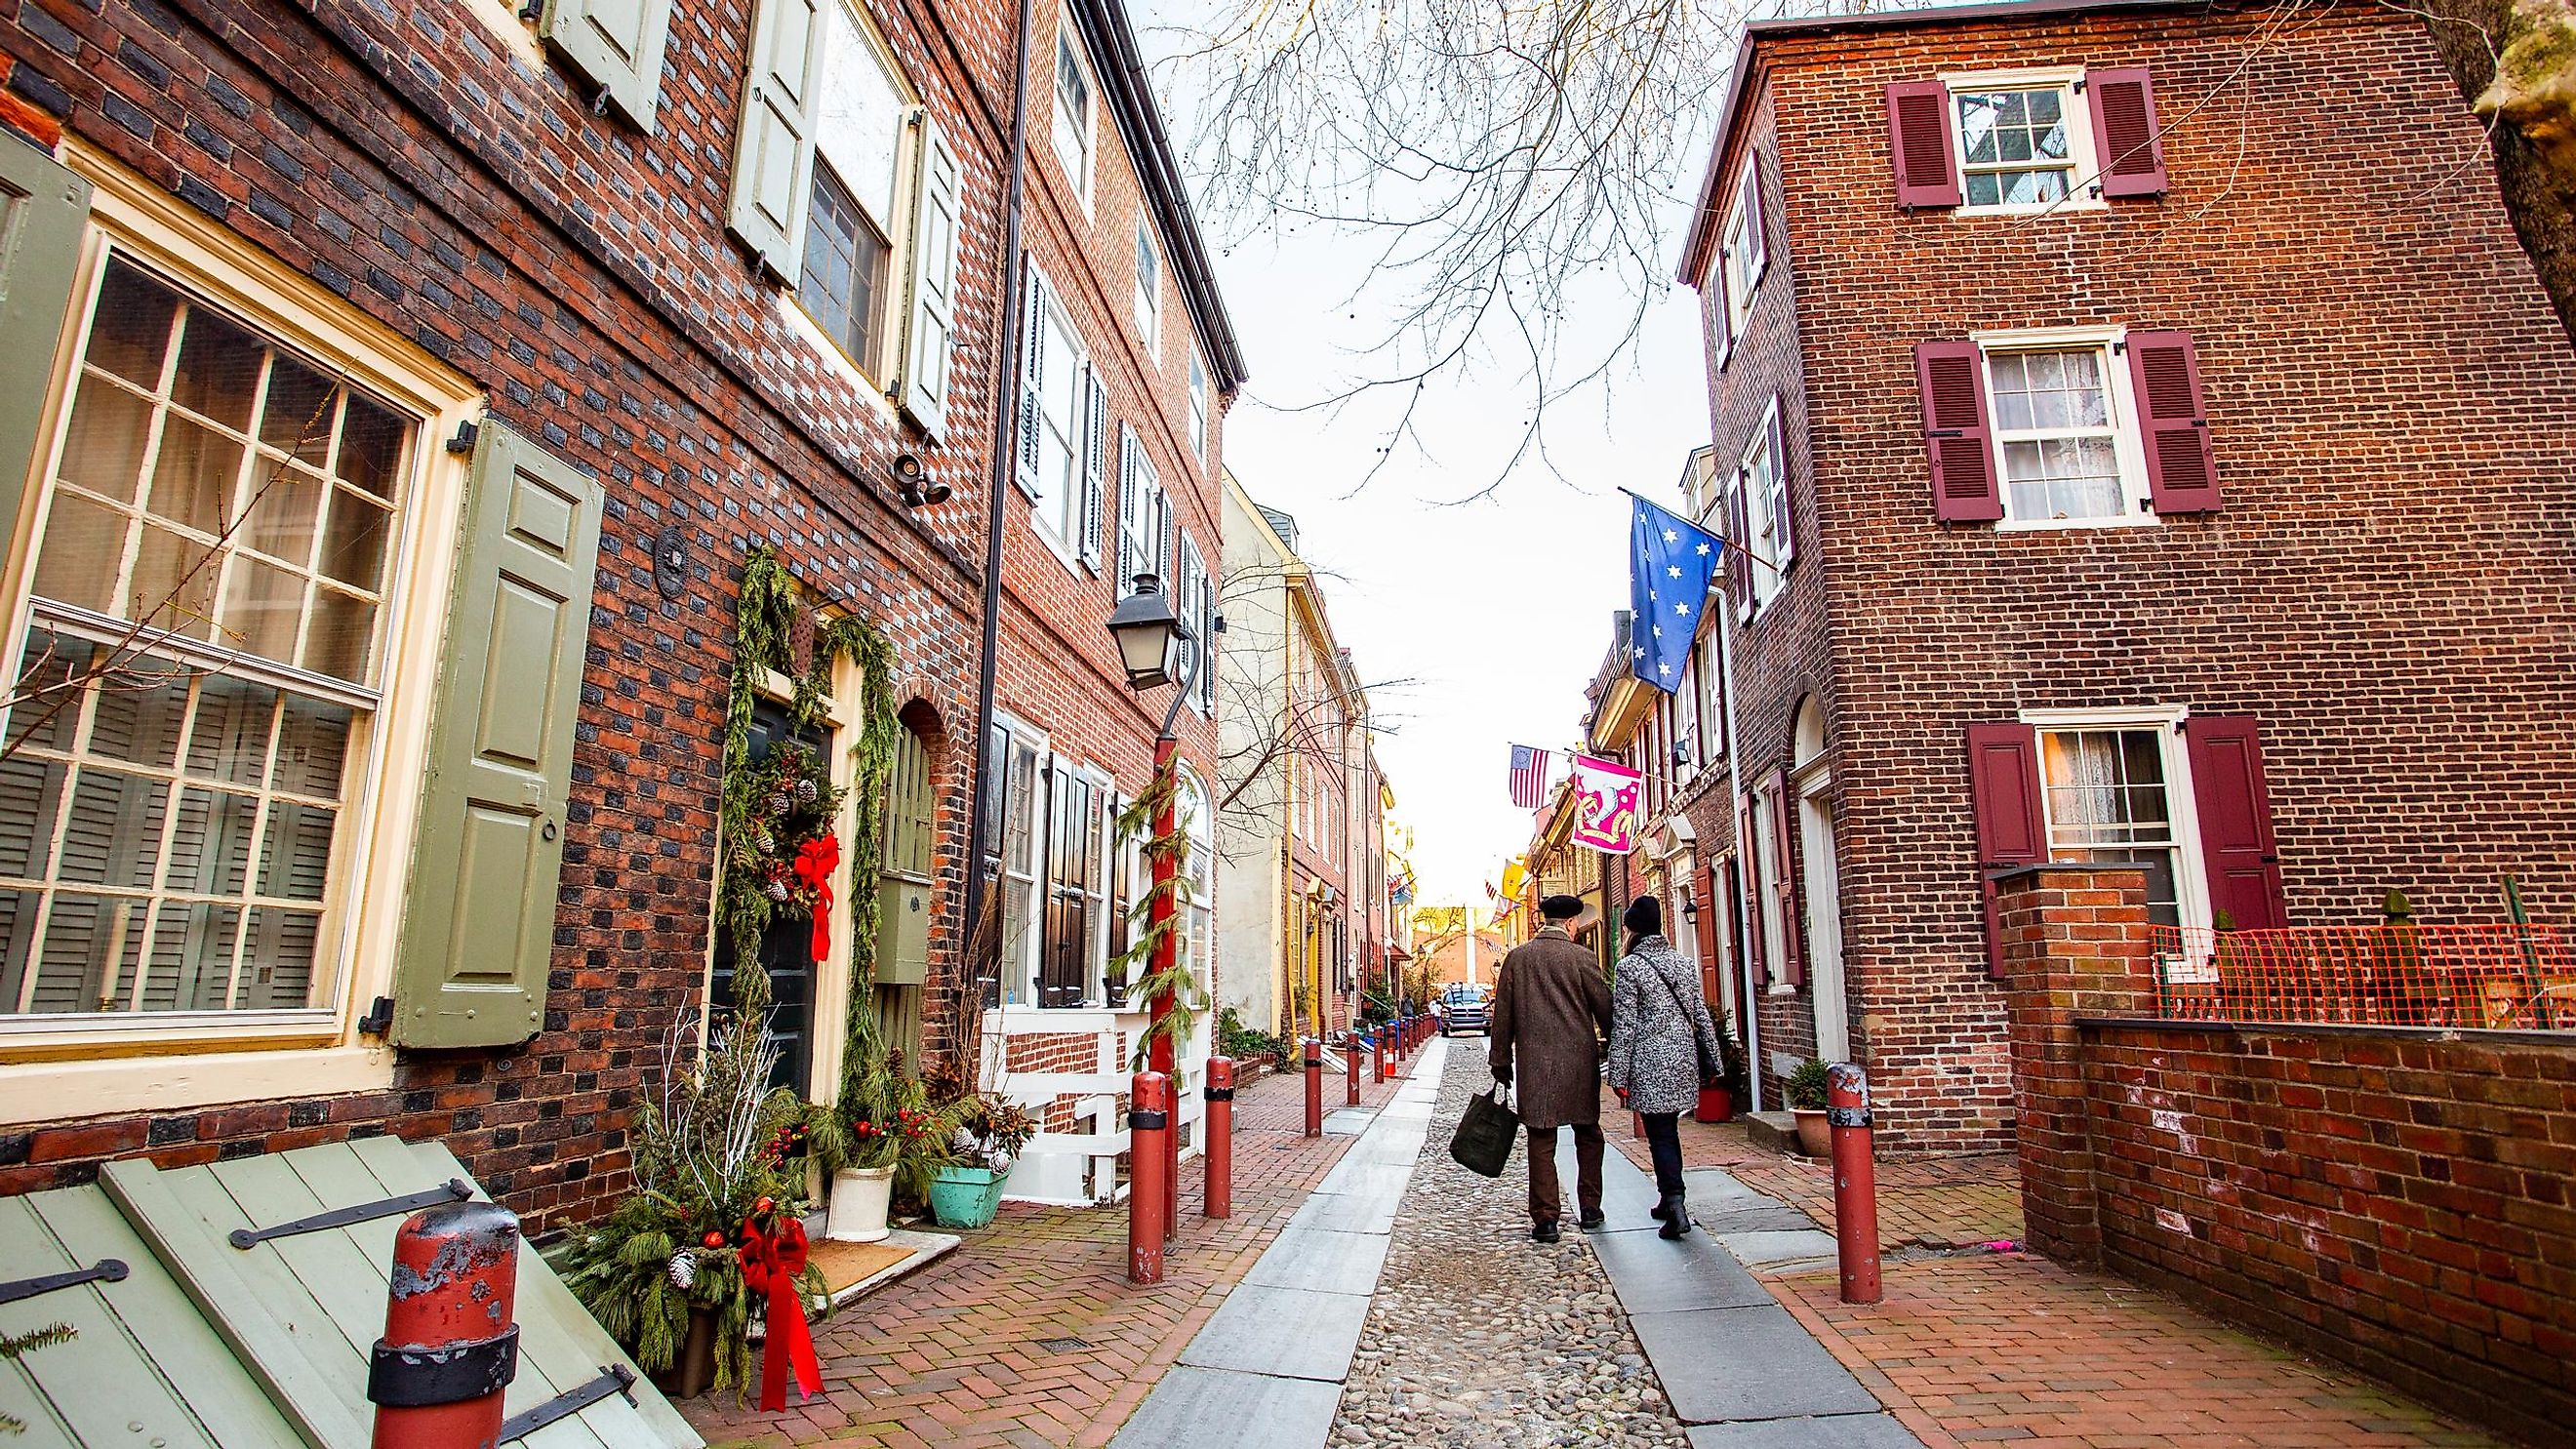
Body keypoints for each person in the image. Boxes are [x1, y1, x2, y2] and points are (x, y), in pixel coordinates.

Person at [1488, 894, 1614, 1242]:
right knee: (1588, 1134)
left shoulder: (1518, 958)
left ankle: (1546, 1218)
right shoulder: (1582, 958)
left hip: (1534, 1063)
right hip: (1579, 1062)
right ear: (1571, 923)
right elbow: (1605, 1010)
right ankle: (1590, 1207)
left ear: (1544, 921)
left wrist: (1500, 1060)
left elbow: (1503, 1016)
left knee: (1541, 1140)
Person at [1606, 895, 1727, 1239]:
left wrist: (1618, 1075)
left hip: (1648, 1062)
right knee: (1669, 1131)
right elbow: (1700, 1014)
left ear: (1632, 931)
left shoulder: (1630, 967)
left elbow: (1625, 1024)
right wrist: (1713, 1061)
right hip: (1683, 1061)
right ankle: (1667, 1198)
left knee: (1660, 1135)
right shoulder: (1684, 964)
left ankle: (1676, 1206)